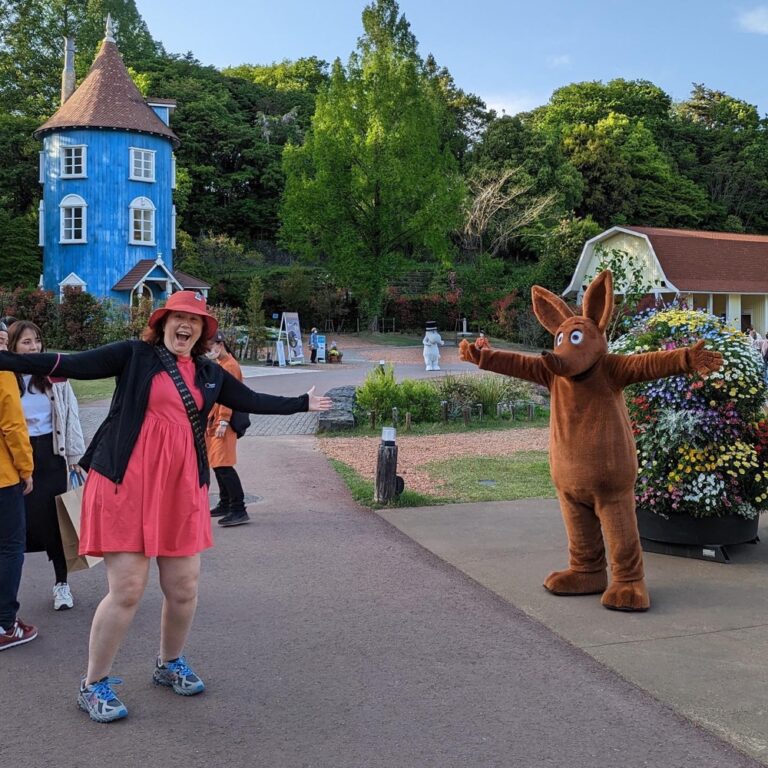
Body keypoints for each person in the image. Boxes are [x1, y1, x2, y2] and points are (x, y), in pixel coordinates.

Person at [0, 290, 332, 722]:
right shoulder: (134, 356)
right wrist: (7, 361)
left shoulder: (210, 374)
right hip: (125, 485)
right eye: (177, 317)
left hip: (180, 490)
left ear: (203, 330)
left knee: (183, 589)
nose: (185, 325)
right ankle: (93, 684)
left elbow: (252, 400)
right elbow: (67, 363)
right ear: (162, 324)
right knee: (128, 590)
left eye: (194, 320)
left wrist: (302, 403)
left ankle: (168, 663)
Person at [8, 321, 85, 611]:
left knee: (56, 522)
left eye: (37, 341)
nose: (34, 347)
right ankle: (10, 593)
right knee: (15, 525)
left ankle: (62, 584)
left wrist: (76, 457)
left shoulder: (54, 377)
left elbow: (71, 416)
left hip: (52, 456)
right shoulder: (6, 378)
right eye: (26, 342)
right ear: (13, 346)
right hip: (18, 457)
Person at [0, 366, 35, 650]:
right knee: (10, 547)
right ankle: (5, 624)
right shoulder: (3, 374)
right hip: (3, 477)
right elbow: (13, 425)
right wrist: (26, 469)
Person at [206, 330, 249, 527]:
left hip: (225, 422)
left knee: (223, 464)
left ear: (220, 344)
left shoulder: (230, 366)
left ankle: (238, 508)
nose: (208, 352)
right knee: (217, 463)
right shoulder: (222, 365)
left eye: (210, 348)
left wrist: (223, 420)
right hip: (215, 421)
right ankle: (225, 503)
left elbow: (229, 396)